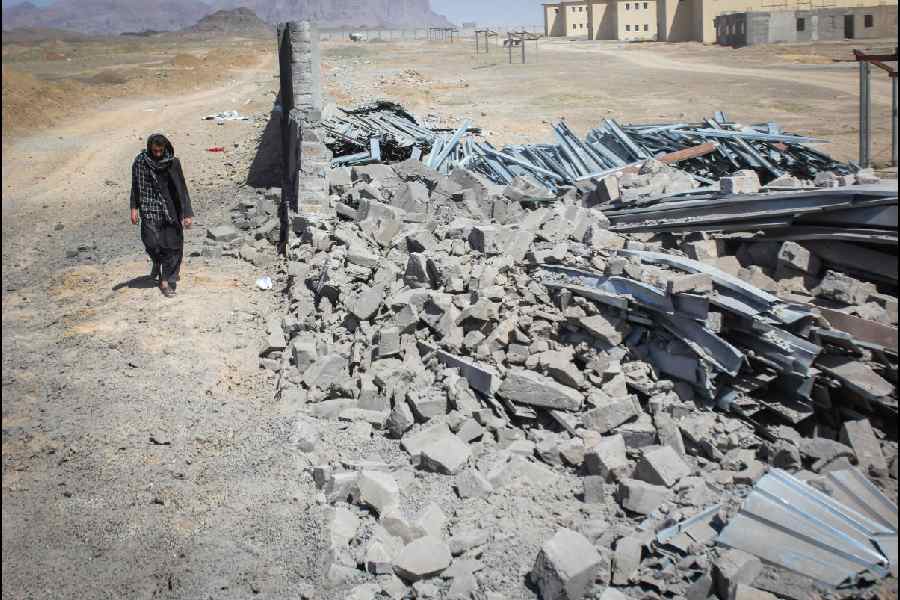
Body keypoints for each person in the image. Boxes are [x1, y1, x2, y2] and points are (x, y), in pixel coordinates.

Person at [129, 133, 193, 297]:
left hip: (170, 210)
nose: (157, 155)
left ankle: (165, 281)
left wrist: (186, 213)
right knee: (150, 242)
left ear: (165, 149)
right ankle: (157, 262)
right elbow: (136, 185)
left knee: (171, 246)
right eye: (154, 151)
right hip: (149, 209)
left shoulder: (172, 163)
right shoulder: (140, 162)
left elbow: (181, 188)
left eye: (160, 151)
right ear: (150, 149)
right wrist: (134, 207)